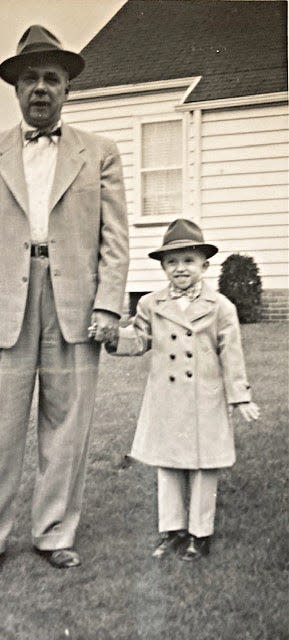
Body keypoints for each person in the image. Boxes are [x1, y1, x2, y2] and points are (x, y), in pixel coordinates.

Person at [0, 25, 129, 578]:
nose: (41, 89)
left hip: (75, 303)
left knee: (67, 426)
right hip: (6, 300)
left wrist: (107, 305)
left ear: (67, 89)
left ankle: (55, 532)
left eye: (52, 78)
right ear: (16, 89)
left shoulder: (100, 153)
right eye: (30, 79)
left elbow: (115, 238)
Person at [106, 218, 259, 561]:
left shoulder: (221, 307)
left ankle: (200, 534)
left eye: (188, 260)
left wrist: (240, 395)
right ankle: (173, 529)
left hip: (205, 398)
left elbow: (231, 354)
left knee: (205, 467)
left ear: (204, 265)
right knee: (169, 463)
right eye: (172, 262)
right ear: (162, 267)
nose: (180, 268)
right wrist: (115, 337)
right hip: (167, 397)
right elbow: (139, 339)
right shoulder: (151, 304)